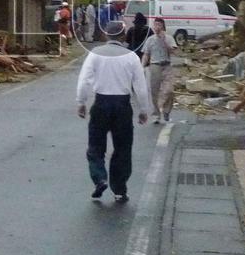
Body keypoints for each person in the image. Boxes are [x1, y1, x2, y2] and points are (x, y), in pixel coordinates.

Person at [76, 21, 154, 203]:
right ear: (122, 36)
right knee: (123, 148)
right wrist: (144, 109)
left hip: (101, 103)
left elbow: (84, 80)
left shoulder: (95, 54)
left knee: (95, 146)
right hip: (122, 106)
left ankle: (100, 178)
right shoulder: (131, 57)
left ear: (106, 36)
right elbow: (140, 86)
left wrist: (81, 102)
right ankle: (119, 189)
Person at [141, 17, 178, 124]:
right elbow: (146, 54)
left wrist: (164, 40)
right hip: (155, 65)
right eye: (155, 25)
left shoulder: (169, 38)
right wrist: (141, 66)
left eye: (159, 25)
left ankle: (166, 110)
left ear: (163, 26)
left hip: (166, 65)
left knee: (169, 90)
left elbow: (174, 52)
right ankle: (156, 115)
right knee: (154, 91)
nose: (156, 27)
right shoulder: (150, 39)